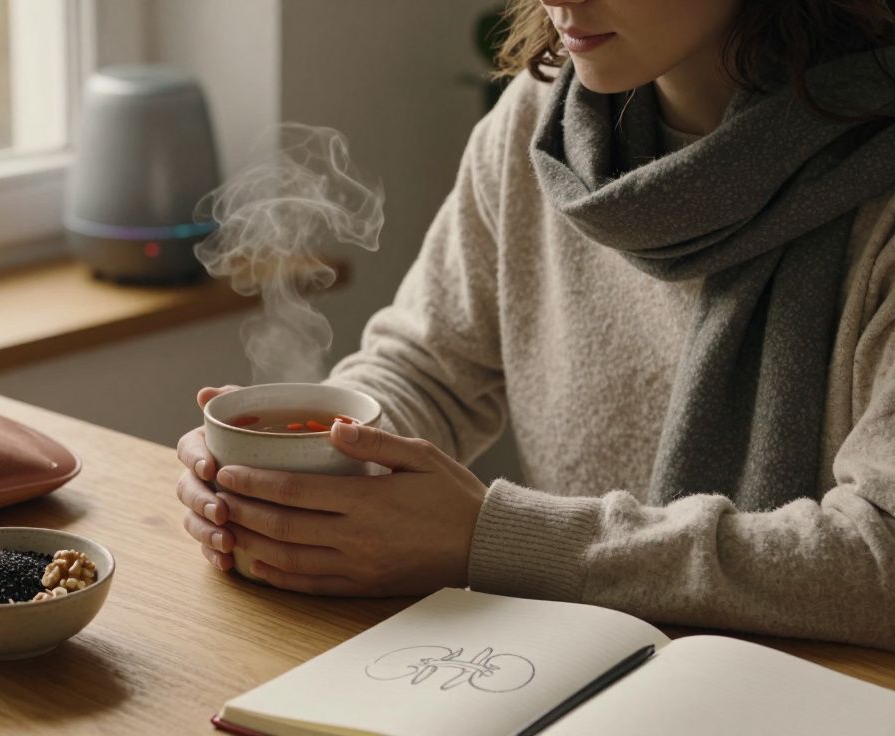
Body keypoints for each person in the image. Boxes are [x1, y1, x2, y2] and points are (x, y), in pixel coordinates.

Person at [175, 0, 895, 650]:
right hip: (571, 673)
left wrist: (498, 541)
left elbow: (884, 554)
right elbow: (426, 366)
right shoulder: (542, 125)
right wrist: (306, 479)